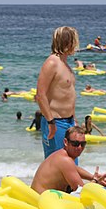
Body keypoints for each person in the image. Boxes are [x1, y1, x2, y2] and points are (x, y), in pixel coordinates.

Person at [36, 26, 79, 160]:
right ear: (68, 41)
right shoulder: (52, 62)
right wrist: (51, 122)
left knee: (71, 164)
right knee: (56, 164)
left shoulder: (65, 64)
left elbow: (68, 95)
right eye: (74, 41)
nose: (76, 45)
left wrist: (75, 120)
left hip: (69, 122)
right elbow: (40, 95)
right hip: (56, 122)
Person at [30, 126, 106, 194]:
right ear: (65, 142)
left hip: (40, 198)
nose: (79, 147)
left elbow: (74, 169)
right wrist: (95, 181)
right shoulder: (65, 160)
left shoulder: (61, 155)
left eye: (83, 144)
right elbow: (81, 192)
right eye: (75, 144)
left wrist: (92, 177)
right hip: (41, 203)